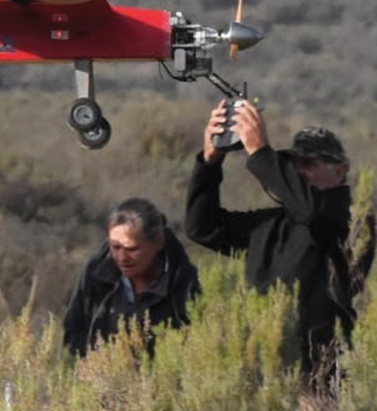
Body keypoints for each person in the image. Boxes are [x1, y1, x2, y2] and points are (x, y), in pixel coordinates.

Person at [185, 99, 357, 375]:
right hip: (263, 368)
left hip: (320, 370)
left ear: (341, 170)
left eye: (310, 163)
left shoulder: (348, 220)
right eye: (293, 164)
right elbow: (203, 228)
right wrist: (210, 160)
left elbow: (315, 213)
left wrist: (260, 152)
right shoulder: (272, 225)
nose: (300, 171)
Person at [64, 198, 200, 356]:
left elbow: (197, 347)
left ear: (159, 242)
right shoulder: (97, 272)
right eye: (115, 247)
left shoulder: (185, 283)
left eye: (132, 249)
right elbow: (73, 333)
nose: (122, 257)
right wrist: (98, 358)